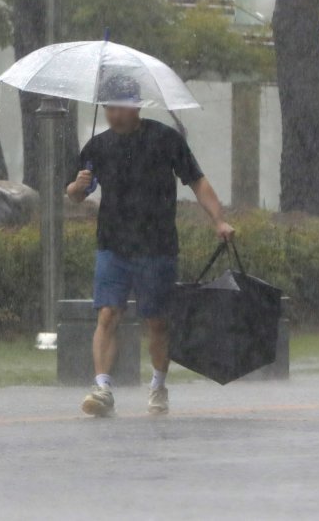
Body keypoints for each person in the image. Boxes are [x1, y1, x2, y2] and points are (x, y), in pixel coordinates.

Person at [66, 73, 235, 418]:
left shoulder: (165, 139)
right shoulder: (97, 148)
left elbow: (197, 181)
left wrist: (218, 219)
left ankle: (158, 386)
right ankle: (102, 388)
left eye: (121, 106)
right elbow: (76, 195)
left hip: (157, 246)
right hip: (112, 244)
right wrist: (77, 186)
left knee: (156, 321)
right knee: (108, 313)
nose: (114, 114)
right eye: (109, 107)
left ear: (137, 106)